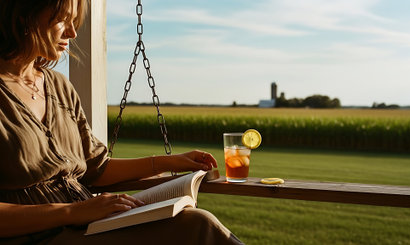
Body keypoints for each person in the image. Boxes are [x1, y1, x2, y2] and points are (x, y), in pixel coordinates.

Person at [0, 0, 243, 244]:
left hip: (89, 224)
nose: (72, 33)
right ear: (24, 15)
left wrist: (172, 161)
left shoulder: (59, 86)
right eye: (63, 20)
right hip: (39, 235)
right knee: (195, 228)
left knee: (195, 220)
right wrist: (73, 212)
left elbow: (97, 167)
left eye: (75, 22)